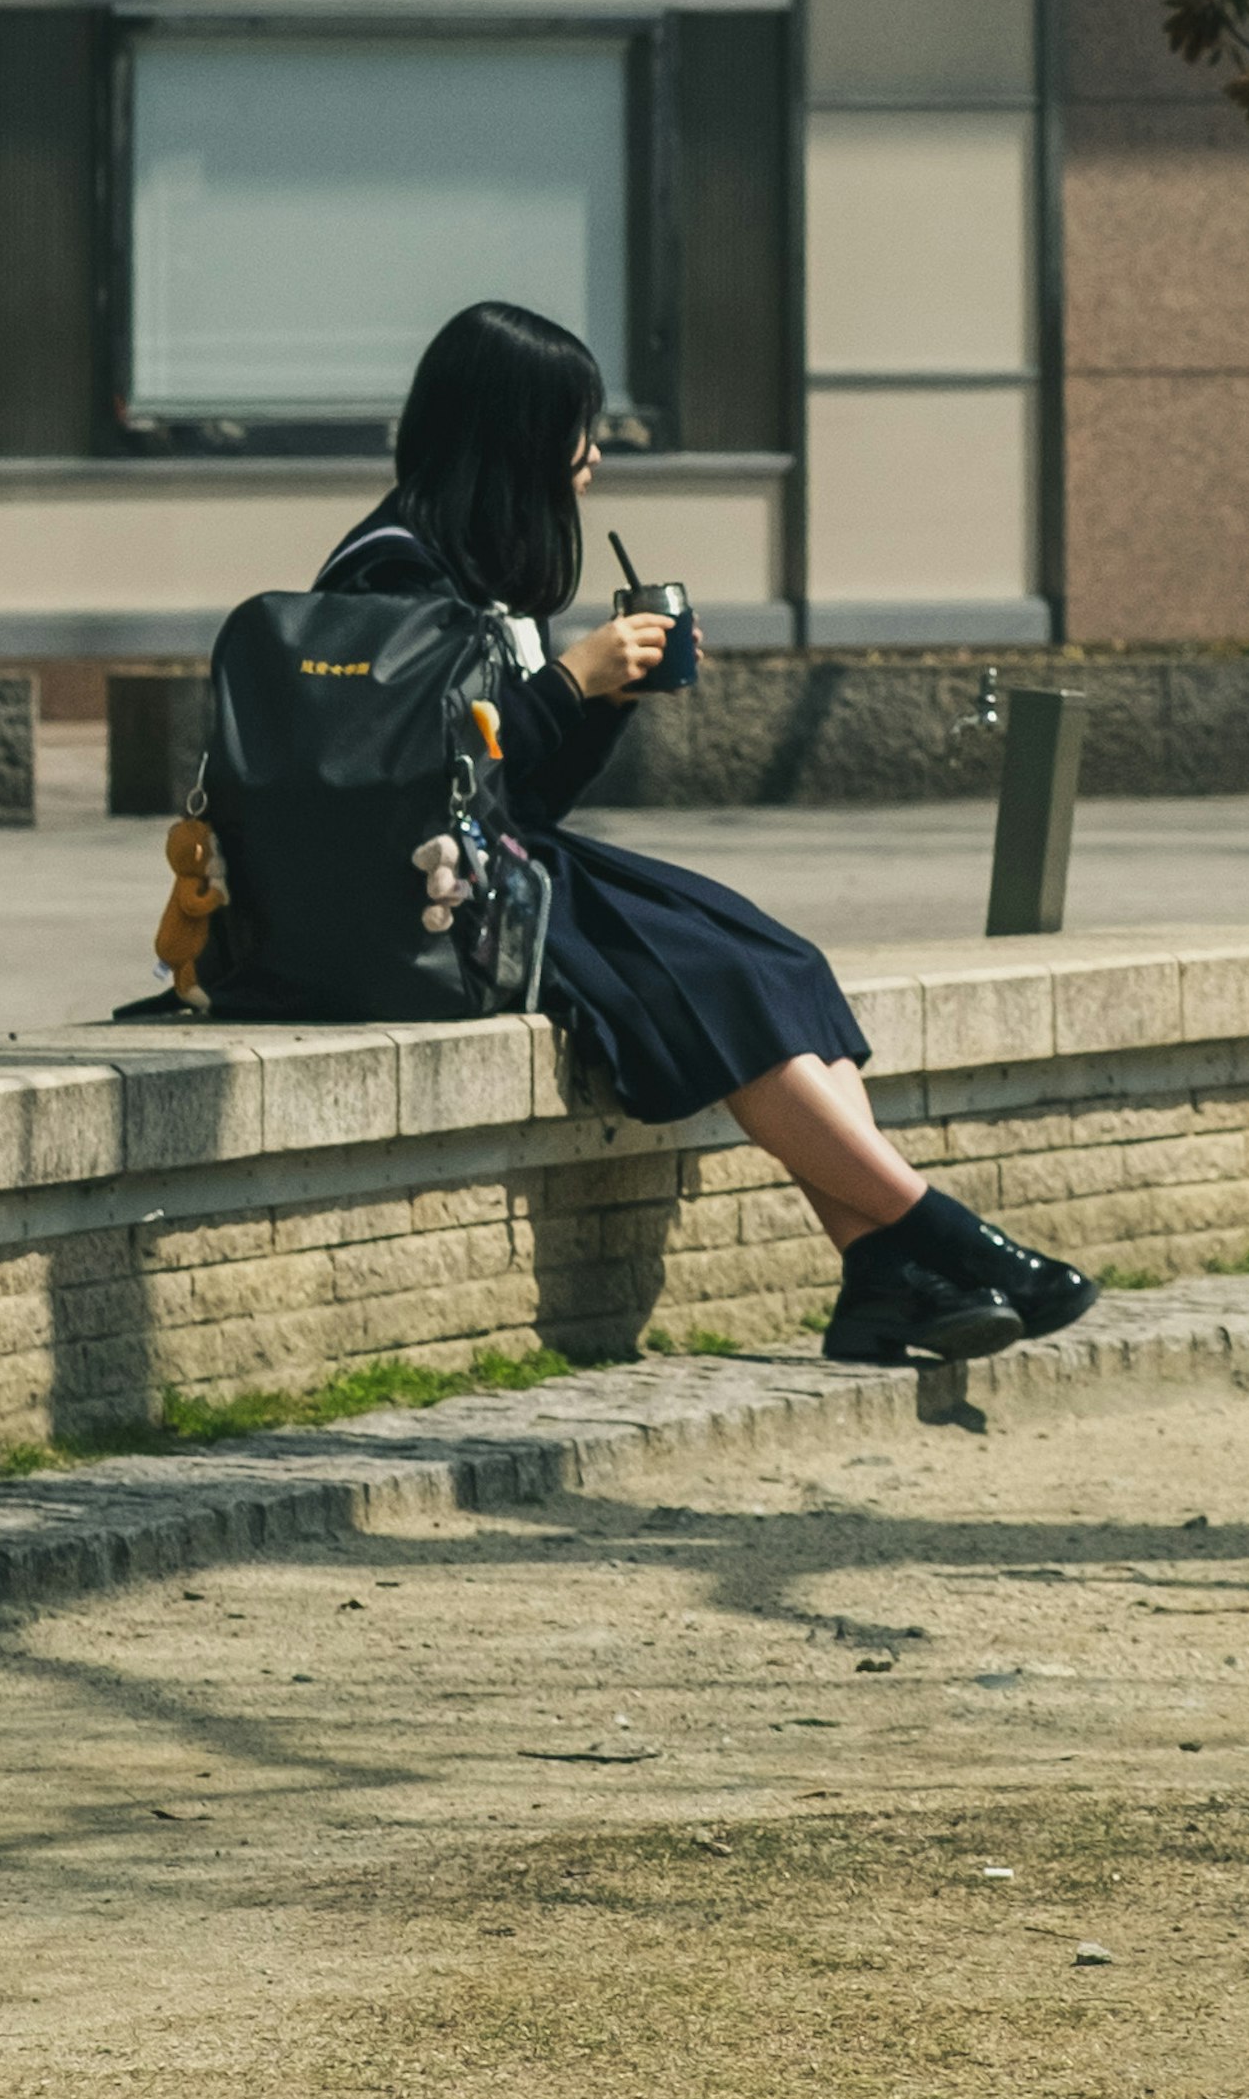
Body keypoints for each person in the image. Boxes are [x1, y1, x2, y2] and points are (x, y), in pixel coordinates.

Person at [318, 298, 1097, 1371]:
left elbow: (527, 795)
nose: (591, 454)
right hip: (425, 900)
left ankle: (880, 1272)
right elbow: (414, 779)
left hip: (509, 869)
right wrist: (566, 681)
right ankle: (946, 1237)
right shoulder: (389, 572)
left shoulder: (478, 565)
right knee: (715, 982)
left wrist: (609, 698)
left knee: (778, 963)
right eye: (574, 426)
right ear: (513, 431)